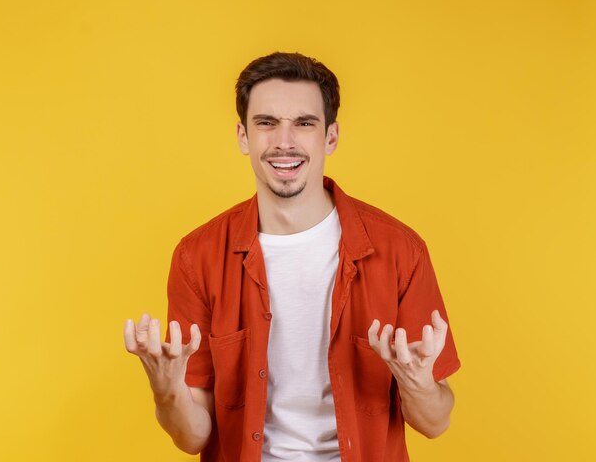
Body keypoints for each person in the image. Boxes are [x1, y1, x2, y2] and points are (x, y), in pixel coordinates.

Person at [124, 52, 461, 461]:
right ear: (243, 136)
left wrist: (418, 382)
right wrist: (167, 391)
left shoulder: (399, 250)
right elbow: (193, 437)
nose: (284, 141)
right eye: (266, 123)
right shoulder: (198, 257)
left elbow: (435, 422)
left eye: (304, 123)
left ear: (331, 137)